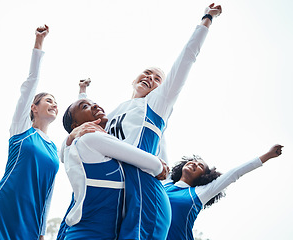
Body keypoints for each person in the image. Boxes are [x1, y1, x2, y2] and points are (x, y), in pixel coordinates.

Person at [102, 4, 222, 239]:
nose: (150, 77)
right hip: (115, 191)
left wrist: (207, 18)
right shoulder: (116, 111)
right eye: (147, 72)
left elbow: (187, 58)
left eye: (158, 78)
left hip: (144, 194)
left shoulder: (157, 104)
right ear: (134, 78)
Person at [0, 25, 59, 240]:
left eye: (56, 102)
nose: (54, 104)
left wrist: (42, 232)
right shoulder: (22, 129)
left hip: (30, 222)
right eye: (48, 100)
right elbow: (31, 83)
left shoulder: (55, 150)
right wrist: (39, 42)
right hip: (3, 208)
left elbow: (48, 193)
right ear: (33, 108)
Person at [56, 98, 170, 240]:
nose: (95, 105)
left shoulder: (78, 146)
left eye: (94, 102)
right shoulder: (89, 140)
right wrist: (160, 166)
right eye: (85, 106)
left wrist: (70, 137)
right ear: (76, 125)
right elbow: (152, 163)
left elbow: (63, 153)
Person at [164, 144, 284, 240]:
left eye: (200, 166)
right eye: (193, 161)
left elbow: (235, 173)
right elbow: (160, 144)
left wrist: (268, 155)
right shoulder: (164, 183)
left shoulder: (199, 193)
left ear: (204, 176)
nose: (194, 163)